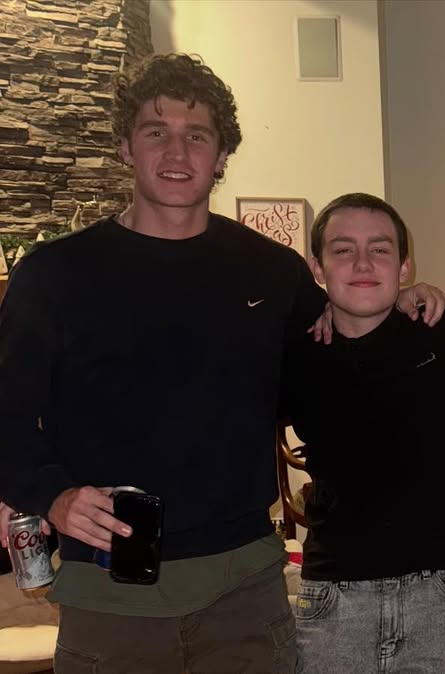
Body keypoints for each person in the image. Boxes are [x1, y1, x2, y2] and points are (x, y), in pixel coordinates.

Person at [0, 53, 326, 672]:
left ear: (222, 155)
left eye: (197, 135)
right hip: (109, 593)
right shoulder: (54, 276)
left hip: (245, 592)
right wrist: (53, 495)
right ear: (126, 146)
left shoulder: (272, 273)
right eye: (156, 132)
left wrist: (417, 303)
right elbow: (6, 418)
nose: (177, 153)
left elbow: (335, 383)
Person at [283, 192, 445, 673]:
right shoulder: (293, 350)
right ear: (317, 267)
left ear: (405, 266)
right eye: (343, 250)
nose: (363, 263)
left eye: (380, 249)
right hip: (334, 593)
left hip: (439, 591)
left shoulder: (443, 324)